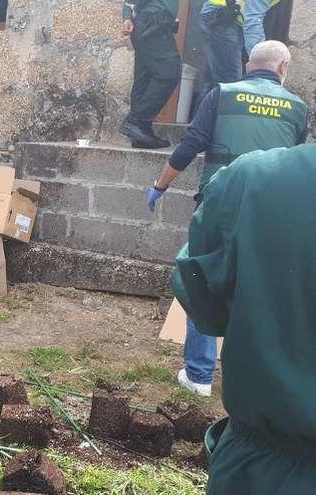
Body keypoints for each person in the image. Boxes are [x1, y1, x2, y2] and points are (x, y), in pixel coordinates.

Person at [146, 40, 307, 396]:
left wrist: (160, 185)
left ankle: (200, 376)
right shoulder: (297, 107)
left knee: (202, 278)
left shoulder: (223, 93)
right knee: (261, 288)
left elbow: (191, 144)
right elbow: (297, 165)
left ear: (249, 64)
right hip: (272, 211)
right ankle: (253, 378)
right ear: (284, 67)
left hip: (220, 203)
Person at [172, 143, 316, 494]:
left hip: (264, 470)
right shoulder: (286, 116)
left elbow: (202, 300)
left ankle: (198, 373)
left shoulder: (254, 177)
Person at [120, 0, 181, 149]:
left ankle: (141, 133)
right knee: (169, 72)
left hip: (151, 24)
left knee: (145, 78)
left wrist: (127, 17)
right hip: (152, 24)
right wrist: (128, 15)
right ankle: (136, 122)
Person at [199, 0, 288, 93]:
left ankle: (206, 105)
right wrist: (261, 60)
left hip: (229, 16)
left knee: (216, 78)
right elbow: (253, 20)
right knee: (230, 81)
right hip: (221, 16)